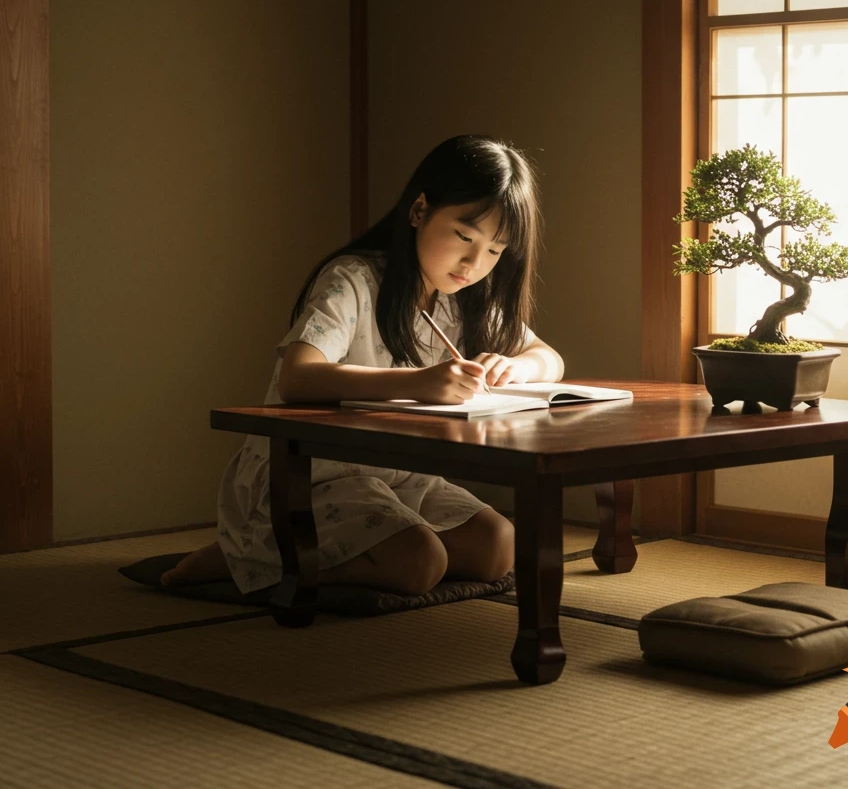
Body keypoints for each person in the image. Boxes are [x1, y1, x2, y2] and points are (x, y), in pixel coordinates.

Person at [162, 134, 564, 596]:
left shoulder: (463, 298)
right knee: (421, 562)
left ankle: (290, 556)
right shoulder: (353, 280)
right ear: (418, 212)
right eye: (463, 237)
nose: (474, 263)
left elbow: (548, 358)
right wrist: (418, 383)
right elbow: (297, 377)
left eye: (494, 251)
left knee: (497, 546)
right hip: (315, 472)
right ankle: (252, 558)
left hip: (399, 477)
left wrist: (515, 368)